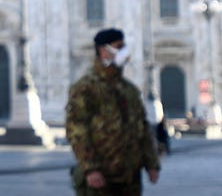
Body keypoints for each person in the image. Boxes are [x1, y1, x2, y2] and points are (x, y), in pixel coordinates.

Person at [66, 28, 160, 194]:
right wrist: (90, 168)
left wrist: (151, 163)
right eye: (119, 46)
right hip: (101, 177)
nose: (124, 51)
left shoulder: (128, 90)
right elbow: (77, 130)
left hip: (130, 178)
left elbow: (142, 128)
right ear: (104, 50)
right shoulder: (86, 88)